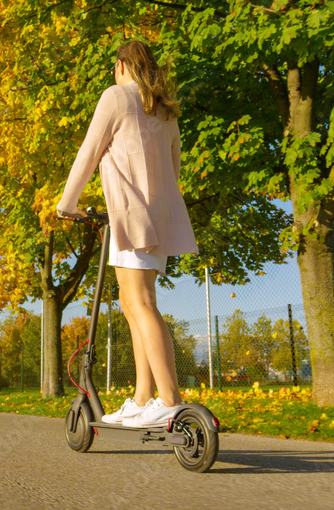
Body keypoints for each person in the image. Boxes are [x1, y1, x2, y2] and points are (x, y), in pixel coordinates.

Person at [57, 40, 198, 428]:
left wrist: (68, 203)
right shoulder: (166, 110)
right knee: (133, 301)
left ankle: (170, 399)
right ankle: (141, 398)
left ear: (122, 65)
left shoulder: (116, 97)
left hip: (130, 213)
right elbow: (175, 167)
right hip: (157, 216)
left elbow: (89, 150)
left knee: (140, 304)